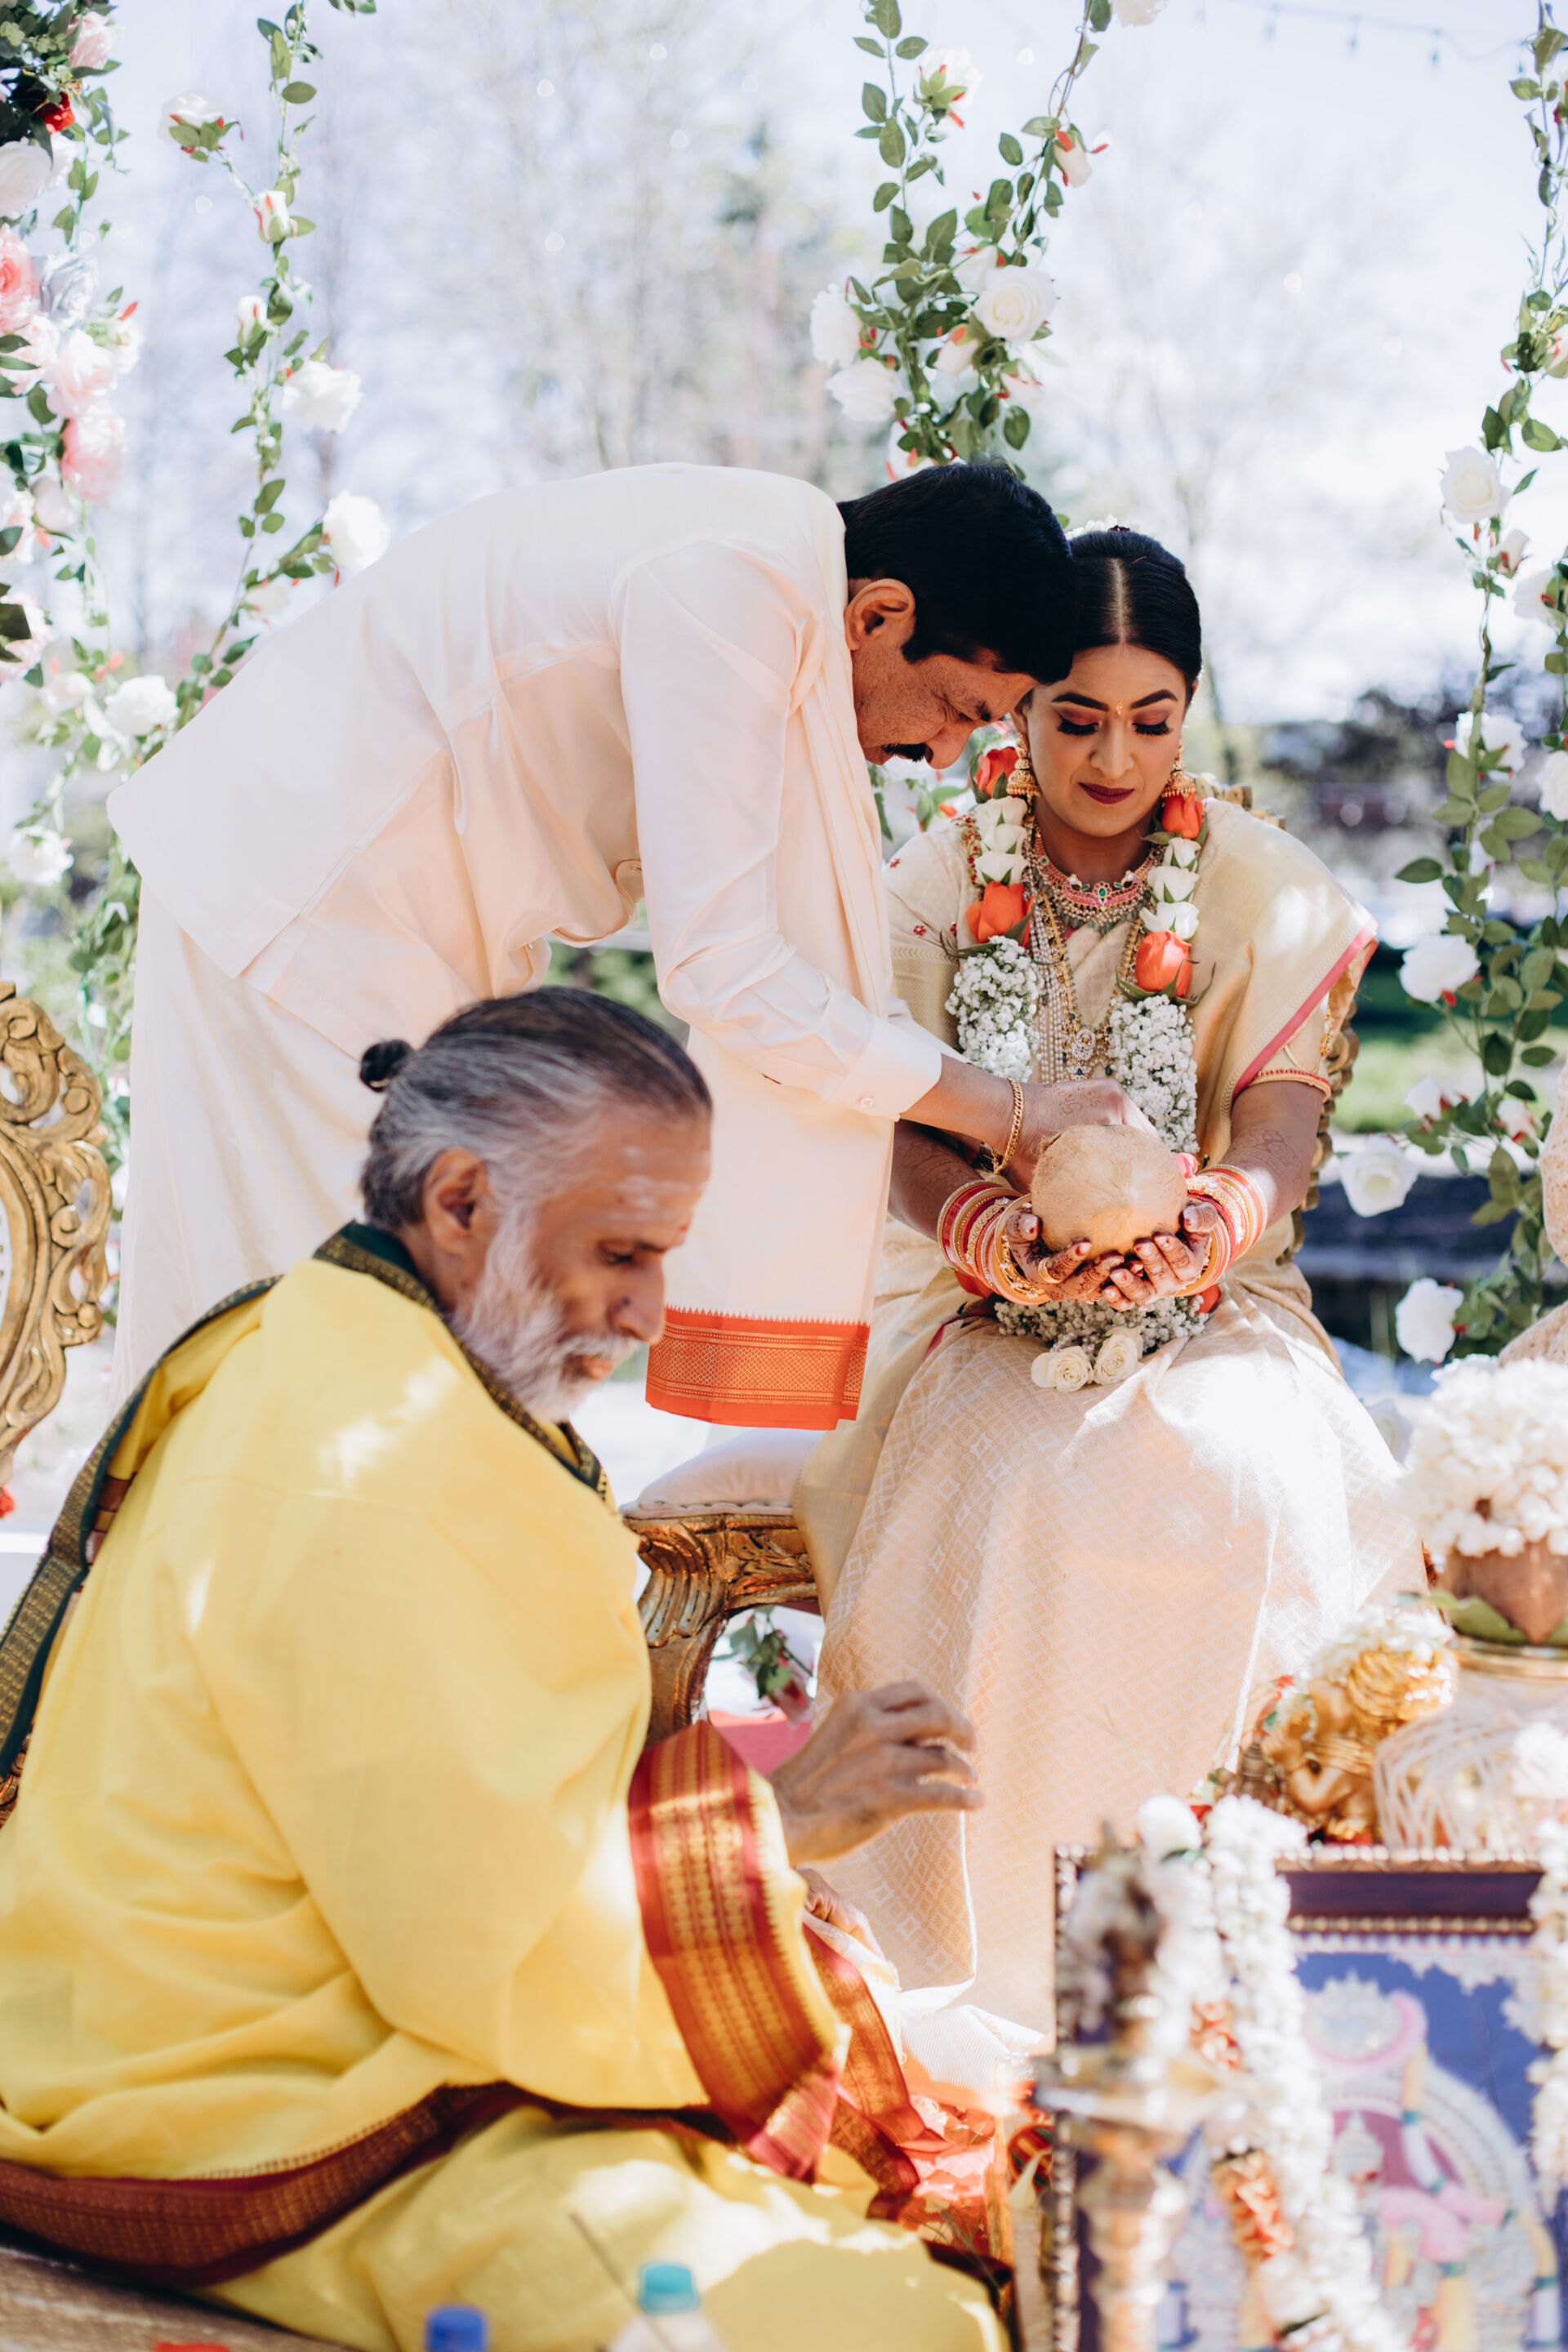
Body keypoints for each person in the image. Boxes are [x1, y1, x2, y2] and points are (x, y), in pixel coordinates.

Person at [0, 991, 1003, 2352]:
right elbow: (474, 1945)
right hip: (259, 2098)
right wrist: (770, 1822)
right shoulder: (385, 1461)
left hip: (243, 2015)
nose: (649, 1311)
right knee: (891, 2319)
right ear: (461, 1200)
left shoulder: (330, 1333)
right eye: (619, 1253)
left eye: (664, 1257)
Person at [106, 460, 1127, 1430]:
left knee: (367, 1342)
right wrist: (1008, 1113)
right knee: (349, 1339)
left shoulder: (769, 567)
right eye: (955, 710)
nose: (939, 755)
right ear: (878, 615)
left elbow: (787, 960)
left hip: (356, 922)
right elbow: (726, 967)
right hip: (307, 906)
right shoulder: (736, 587)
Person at [796, 528, 1423, 2029]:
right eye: (1076, 719)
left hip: (1216, 1287)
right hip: (970, 1290)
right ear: (1019, 703)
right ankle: (987, 1962)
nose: (1114, 759)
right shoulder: (938, 884)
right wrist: (985, 1229)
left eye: (1153, 720)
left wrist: (1214, 1219)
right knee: (1016, 1475)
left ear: (1189, 710)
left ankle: (1236, 1943)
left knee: (1250, 1467)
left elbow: (1279, 1118)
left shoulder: (1260, 887)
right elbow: (891, 1123)